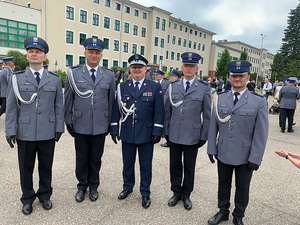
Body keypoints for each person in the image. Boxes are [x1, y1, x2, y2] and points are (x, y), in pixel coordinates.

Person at [5, 37, 64, 215]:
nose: (34, 54)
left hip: (47, 131)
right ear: (27, 55)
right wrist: (10, 130)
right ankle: (27, 198)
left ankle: (45, 195)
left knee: (46, 166)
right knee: (26, 167)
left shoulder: (53, 79)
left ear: (44, 56)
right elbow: (11, 106)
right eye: (31, 51)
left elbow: (58, 106)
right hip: (25, 131)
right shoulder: (17, 78)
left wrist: (59, 127)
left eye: (38, 52)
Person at [207, 60, 268, 225]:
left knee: (242, 188)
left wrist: (256, 157)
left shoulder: (258, 101)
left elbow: (261, 133)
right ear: (229, 77)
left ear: (247, 77)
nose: (237, 78)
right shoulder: (220, 98)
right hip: (224, 151)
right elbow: (213, 126)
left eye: (241, 75)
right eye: (234, 75)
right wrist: (211, 148)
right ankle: (223, 211)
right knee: (223, 185)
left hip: (245, 155)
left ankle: (239, 215)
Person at [64, 37, 115, 203]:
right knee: (81, 157)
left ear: (101, 55)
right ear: (85, 53)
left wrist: (110, 123)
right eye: (91, 52)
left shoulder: (108, 75)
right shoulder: (74, 73)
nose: (94, 55)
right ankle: (81, 186)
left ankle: (93, 186)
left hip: (100, 124)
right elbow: (68, 98)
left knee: (96, 158)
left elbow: (111, 102)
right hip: (80, 124)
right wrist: (68, 120)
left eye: (97, 52)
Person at [110, 54, 164, 209]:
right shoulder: (122, 86)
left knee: (145, 164)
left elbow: (159, 111)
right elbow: (116, 108)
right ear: (130, 69)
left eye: (140, 67)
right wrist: (114, 128)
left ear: (145, 69)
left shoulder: (155, 86)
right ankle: (127, 187)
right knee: (127, 163)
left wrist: (157, 131)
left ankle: (145, 192)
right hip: (127, 131)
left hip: (146, 134)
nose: (137, 70)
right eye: (134, 67)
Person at [164, 52, 211, 211]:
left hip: (193, 135)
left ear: (196, 69)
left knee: (190, 166)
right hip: (175, 133)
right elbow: (167, 111)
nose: (189, 69)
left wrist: (204, 135)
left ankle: (186, 194)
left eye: (192, 66)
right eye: (186, 66)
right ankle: (176, 192)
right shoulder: (173, 86)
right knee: (175, 165)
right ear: (182, 68)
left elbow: (208, 114)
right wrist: (166, 131)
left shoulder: (204, 88)